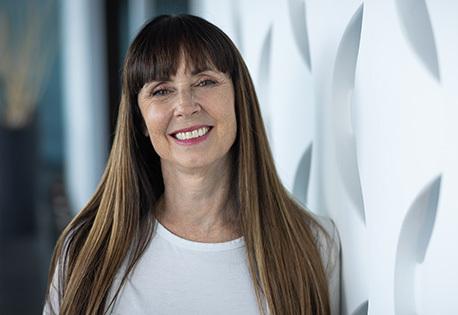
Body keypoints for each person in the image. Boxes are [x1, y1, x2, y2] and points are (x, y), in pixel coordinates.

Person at [43, 14, 340, 315]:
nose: (185, 105)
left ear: (239, 99)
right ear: (140, 120)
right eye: (161, 90)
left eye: (205, 81)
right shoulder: (84, 250)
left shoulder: (313, 244)